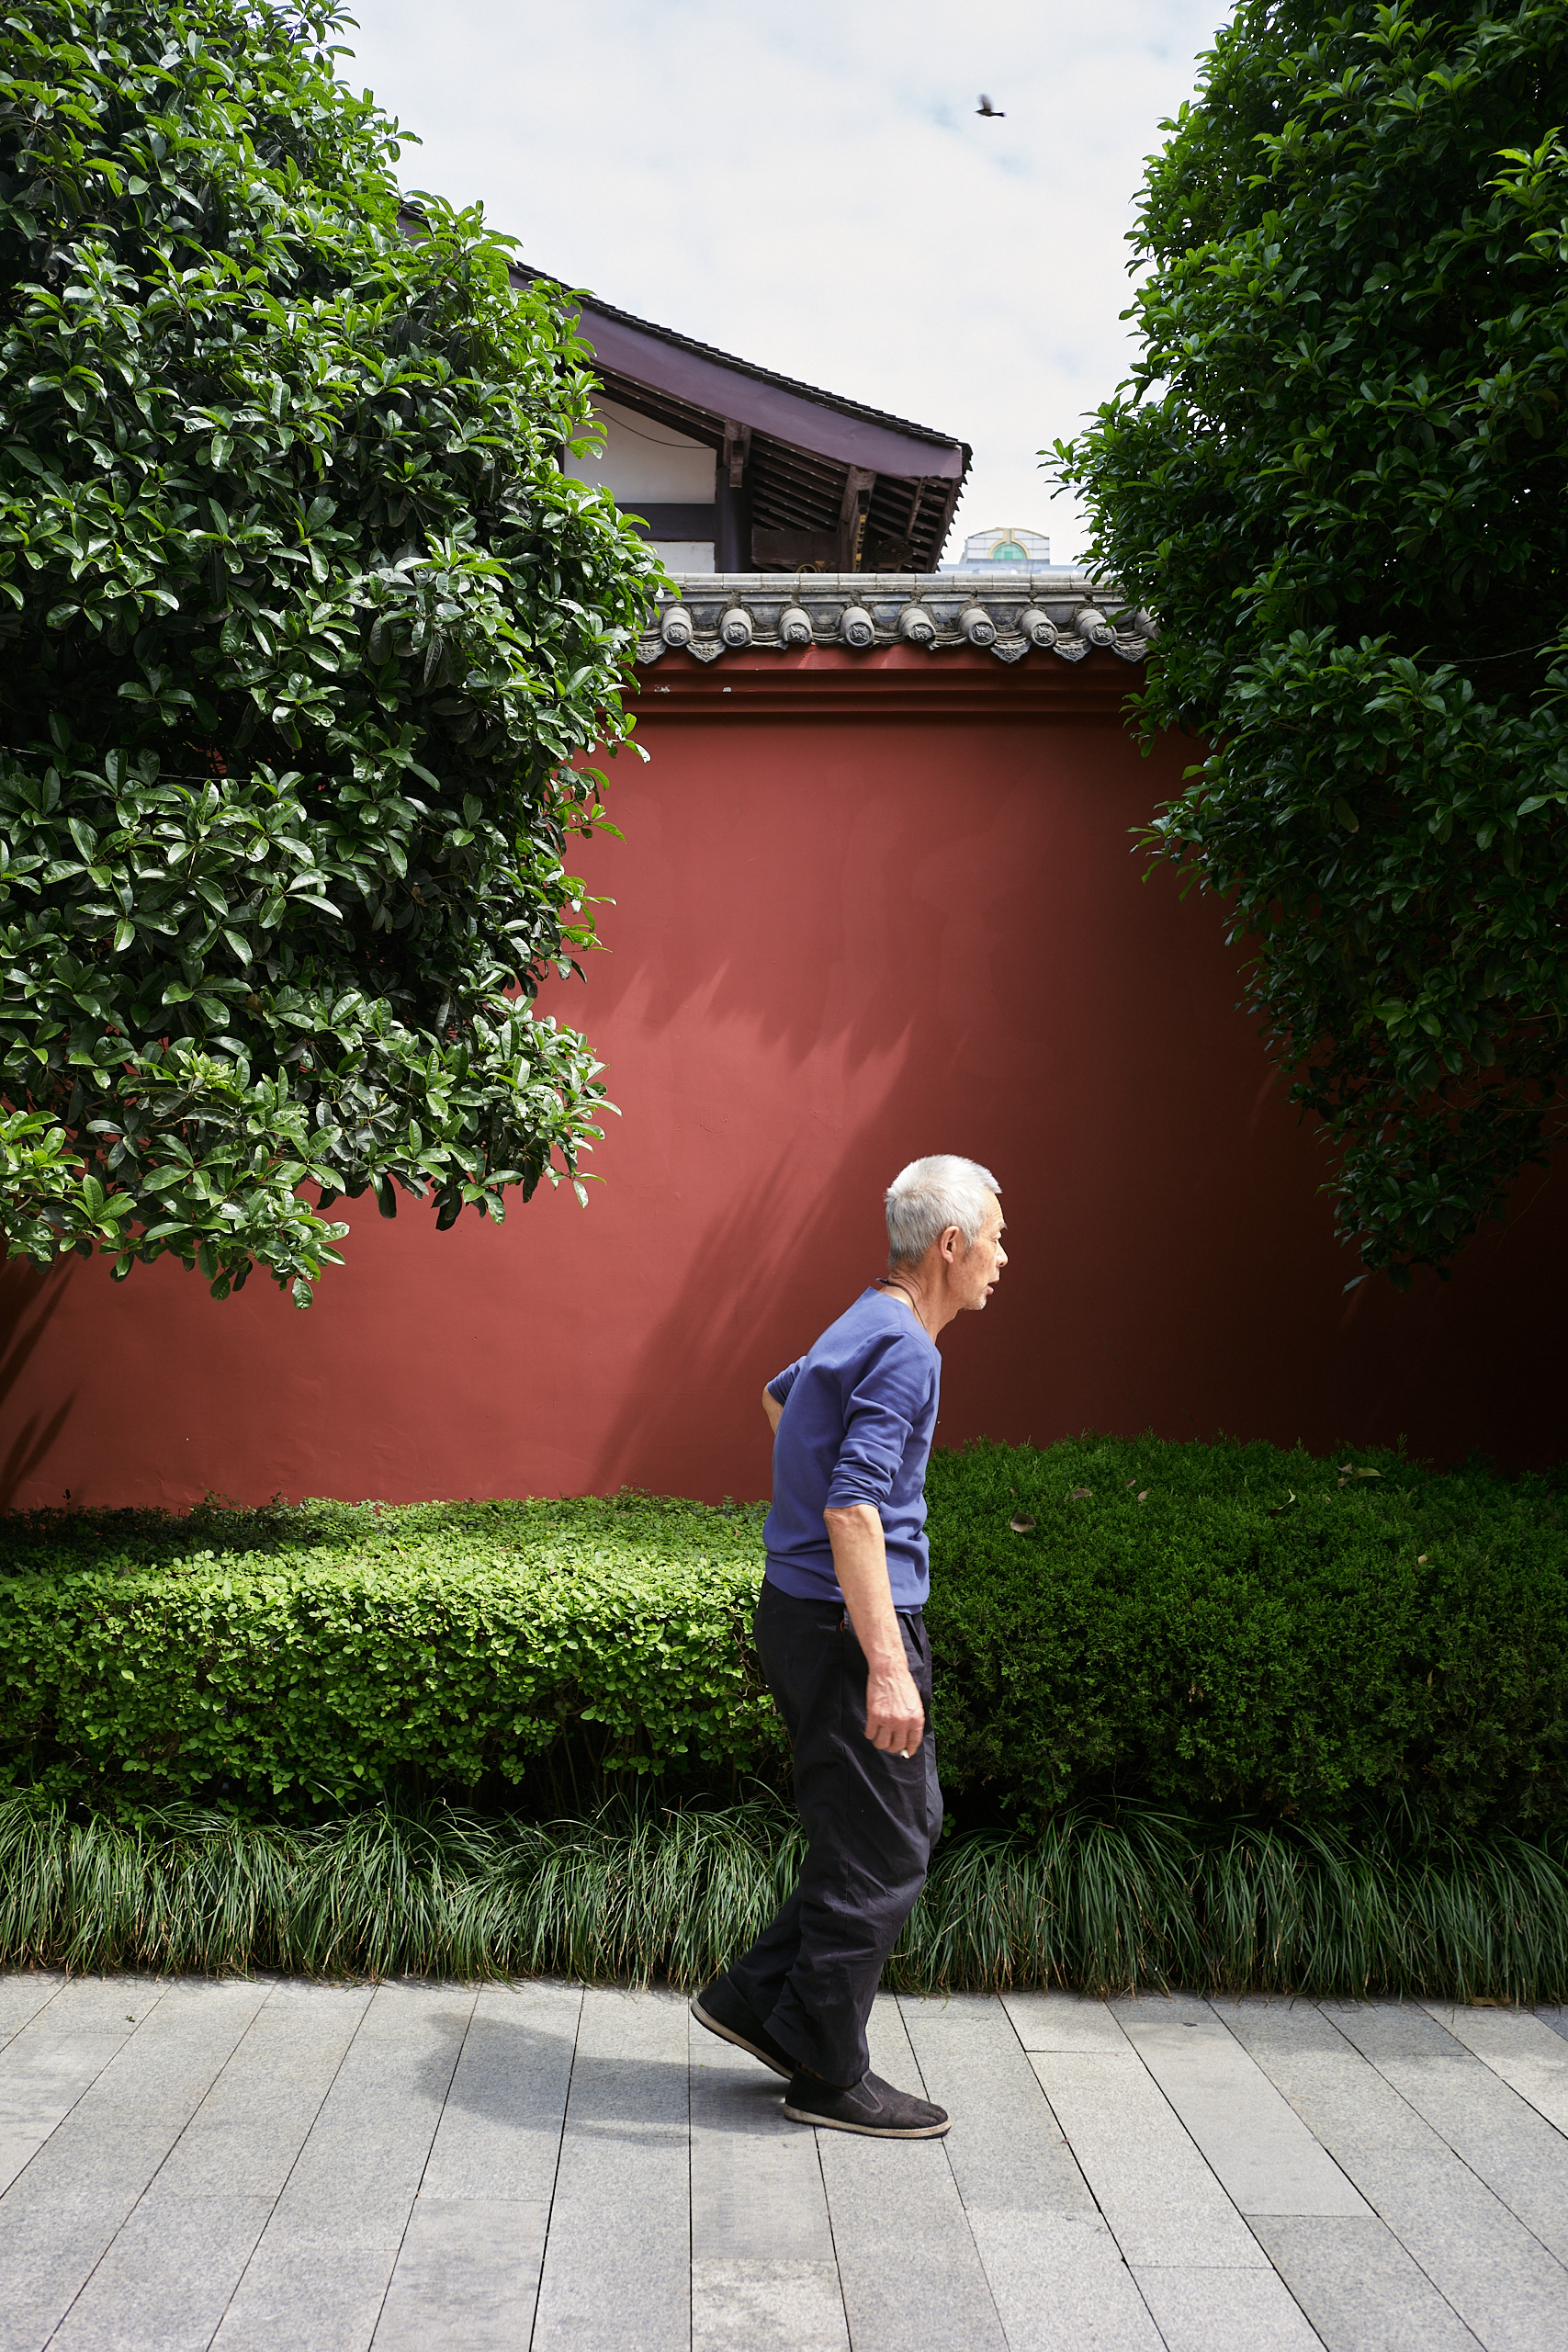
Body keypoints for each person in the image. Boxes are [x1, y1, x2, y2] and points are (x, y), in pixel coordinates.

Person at [692, 1155, 1007, 2139]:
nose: (1005, 1256)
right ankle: (827, 2068)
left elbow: (782, 1399)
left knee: (878, 1828)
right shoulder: (908, 1346)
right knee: (886, 1840)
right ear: (950, 1245)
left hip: (801, 1609)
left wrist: (804, 1540)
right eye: (996, 1236)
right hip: (843, 1622)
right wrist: (885, 1662)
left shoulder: (862, 1318)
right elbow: (855, 1504)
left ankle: (758, 2001)